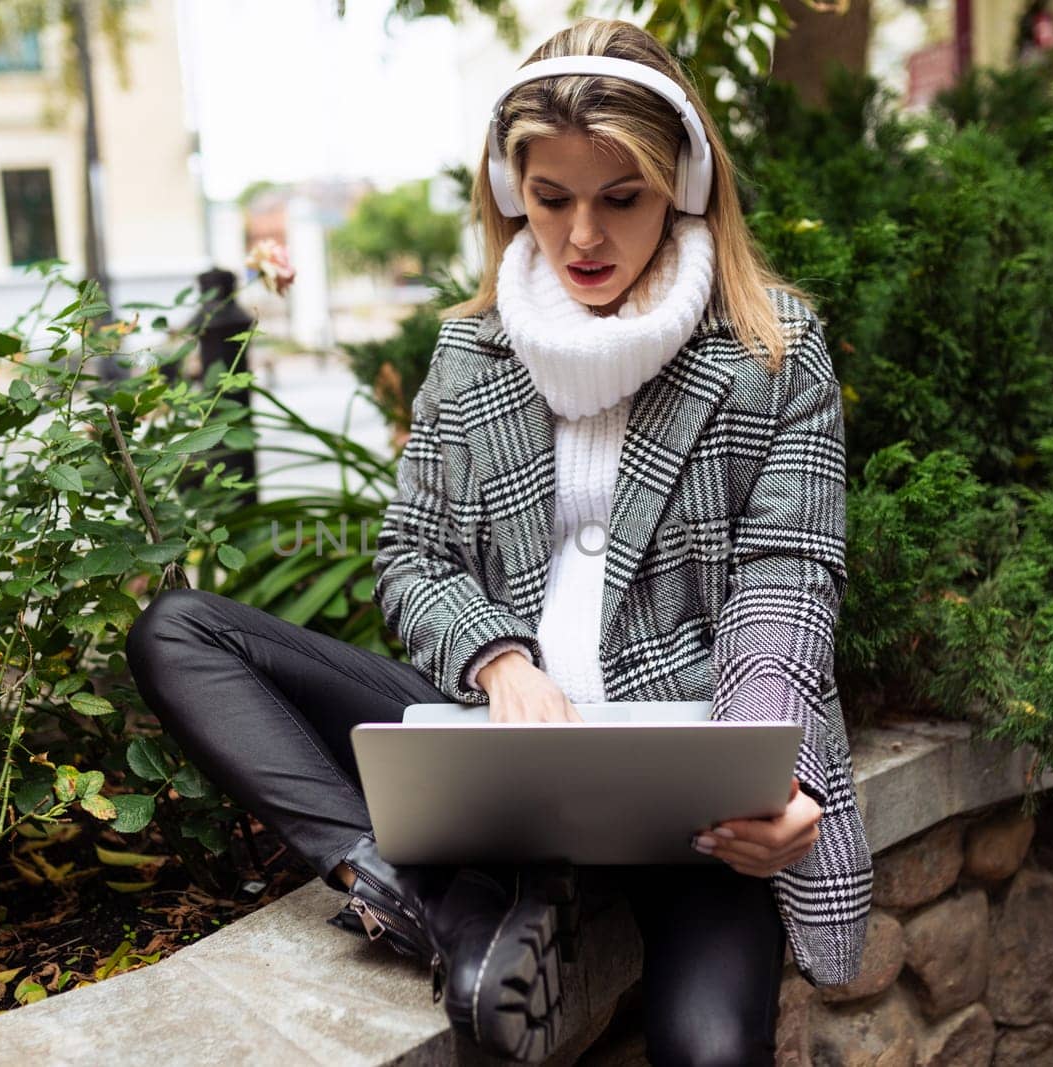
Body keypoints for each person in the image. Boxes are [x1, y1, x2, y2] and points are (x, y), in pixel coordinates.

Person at [124, 16, 872, 1065]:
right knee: (182, 631)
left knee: (712, 1050)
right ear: (510, 189)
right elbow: (413, 556)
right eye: (551, 198)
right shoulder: (470, 354)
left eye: (622, 198)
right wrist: (500, 659)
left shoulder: (770, 353)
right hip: (501, 750)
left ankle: (486, 892)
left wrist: (766, 781)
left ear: (687, 186)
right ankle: (423, 902)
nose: (581, 237)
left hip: (679, 784)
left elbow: (786, 580)